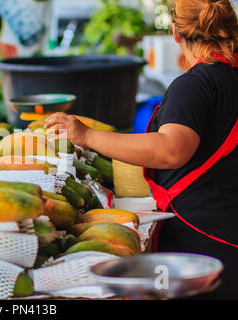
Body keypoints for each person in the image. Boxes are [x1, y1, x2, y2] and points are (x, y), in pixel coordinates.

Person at [45, 0, 238, 300]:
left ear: (175, 32)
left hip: (201, 244)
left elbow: (171, 149)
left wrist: (87, 136)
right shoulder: (230, 77)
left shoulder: (197, 85)